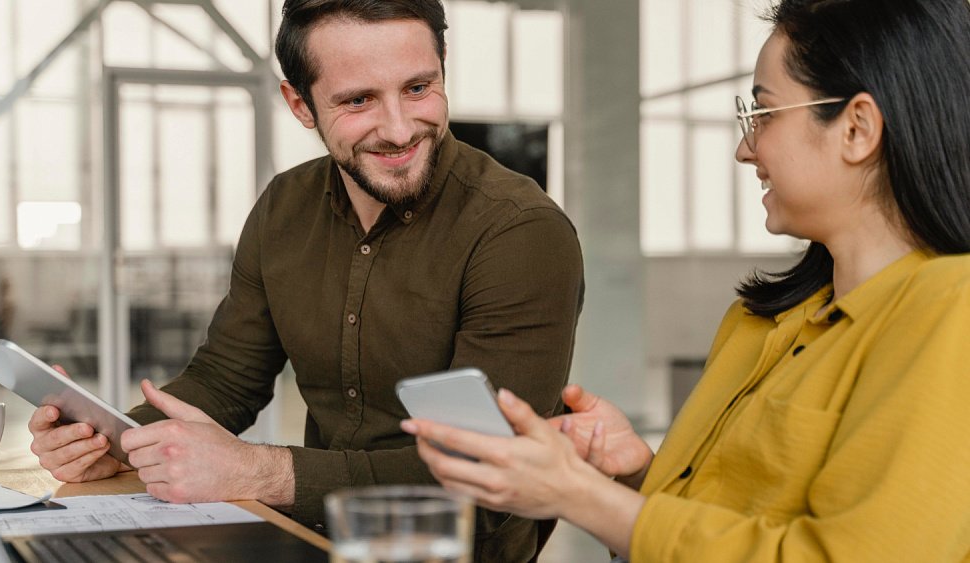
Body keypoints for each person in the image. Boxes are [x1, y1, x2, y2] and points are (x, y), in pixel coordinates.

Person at [403, 0, 970, 560]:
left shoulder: (952, 312)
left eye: (764, 114)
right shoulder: (758, 322)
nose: (745, 149)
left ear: (857, 129)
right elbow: (726, 526)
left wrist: (576, 494)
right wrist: (637, 476)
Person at [26, 1, 584, 560]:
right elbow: (225, 380)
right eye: (358, 100)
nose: (399, 129)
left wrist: (258, 471)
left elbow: (496, 473)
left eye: (418, 88)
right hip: (308, 542)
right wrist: (112, 441)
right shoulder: (284, 207)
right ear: (300, 104)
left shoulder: (519, 231)